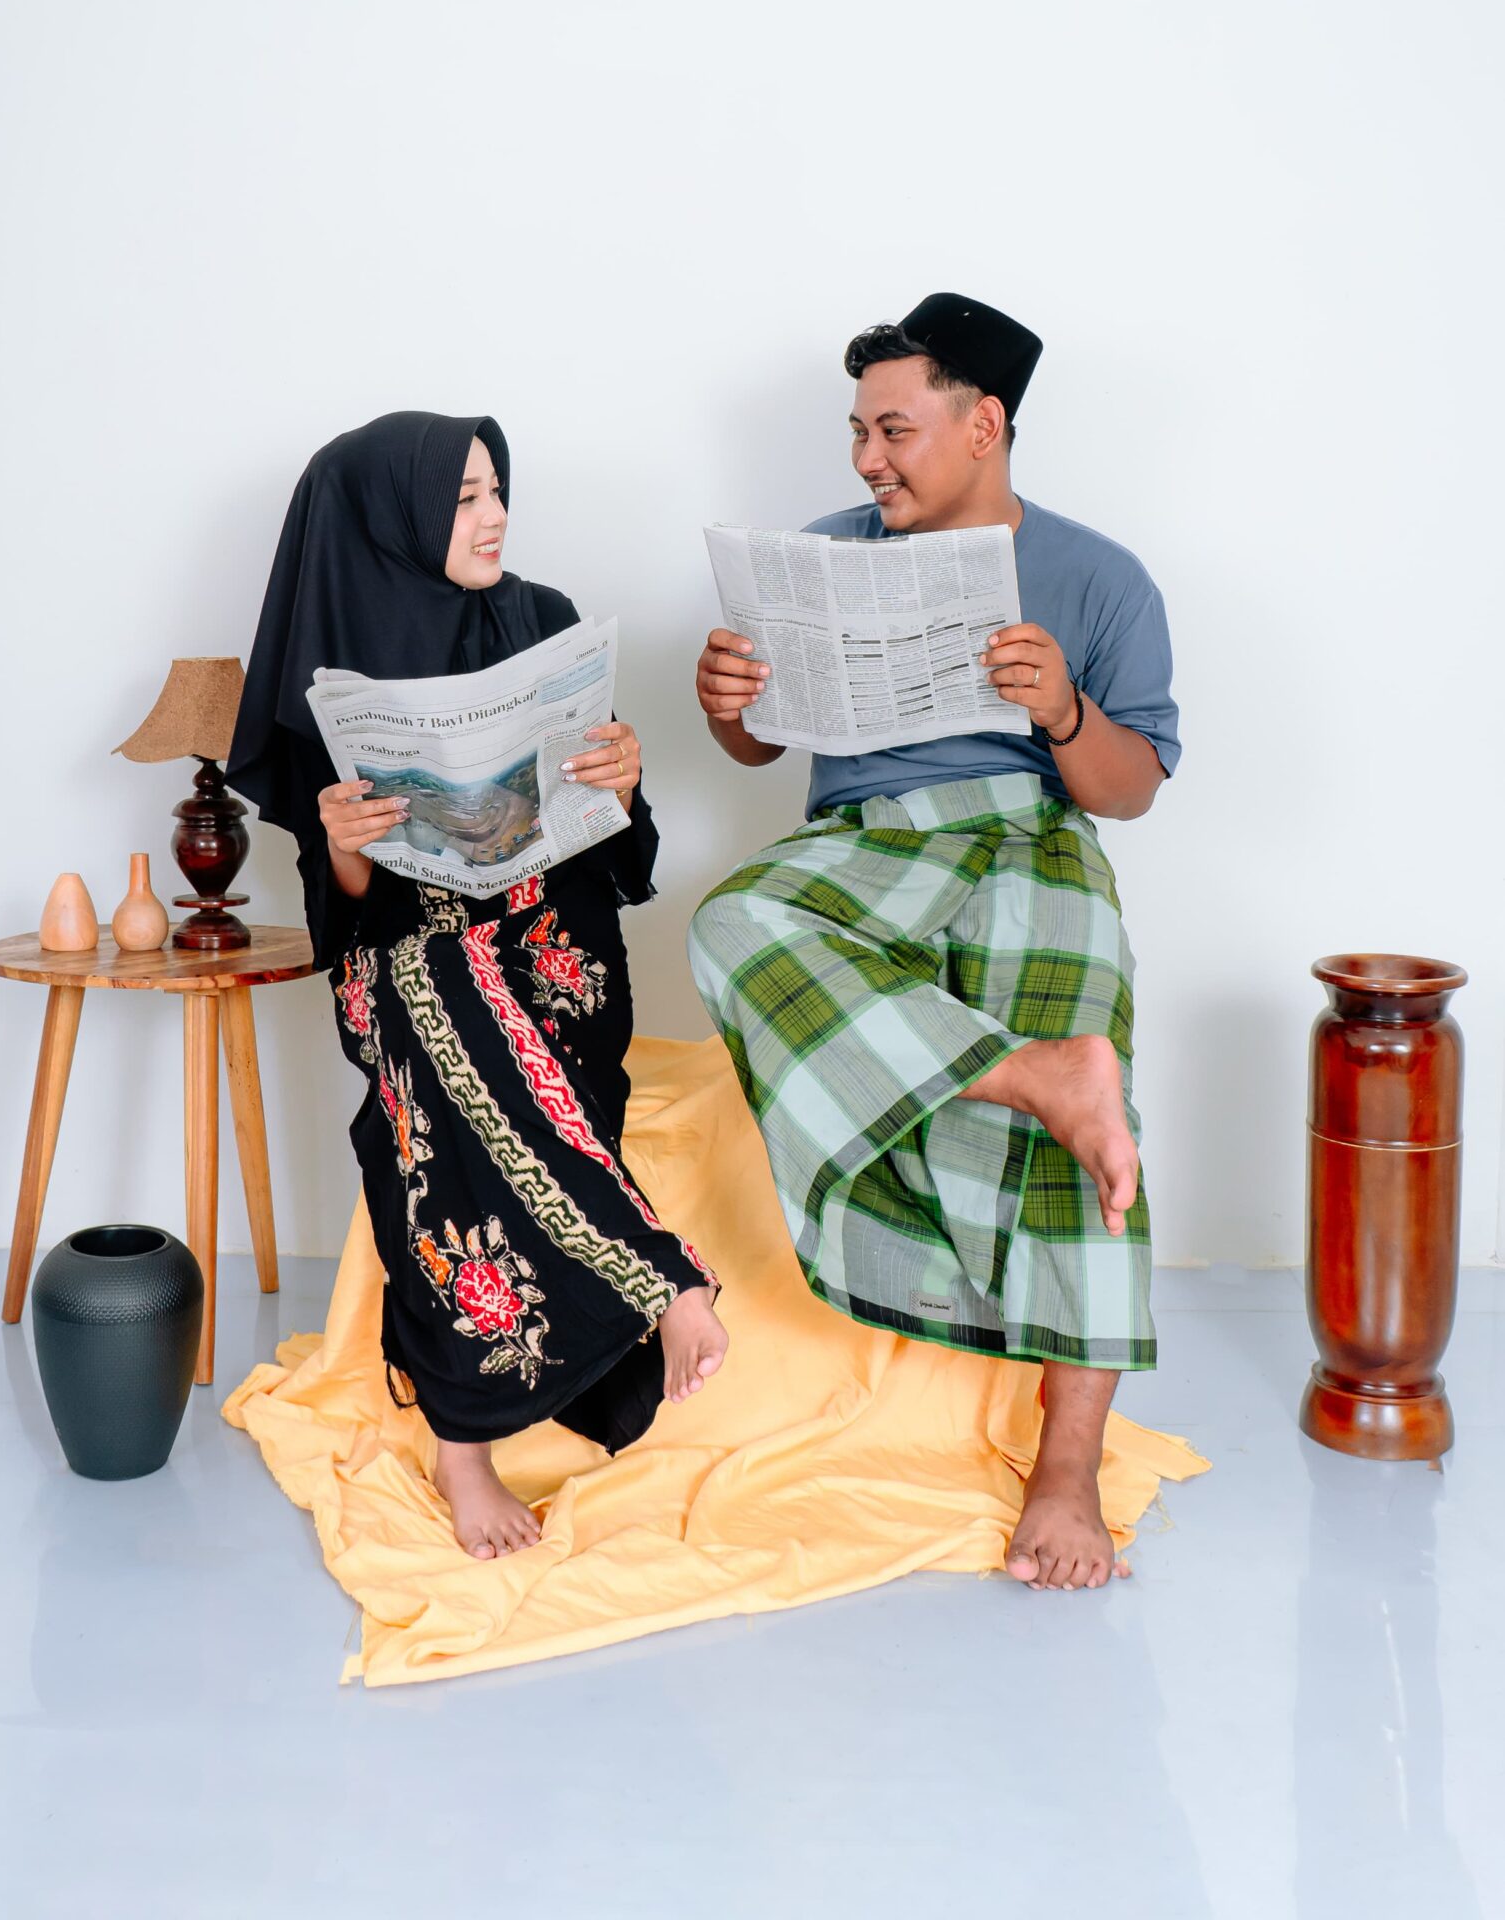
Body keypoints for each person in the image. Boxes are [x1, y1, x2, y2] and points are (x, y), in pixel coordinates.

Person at [687, 294, 1179, 1593]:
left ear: (982, 425)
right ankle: (1033, 1076)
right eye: (856, 431)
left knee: (1085, 1027)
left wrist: (1061, 708)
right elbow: (758, 745)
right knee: (732, 917)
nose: (866, 459)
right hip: (863, 841)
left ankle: (1064, 1470)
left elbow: (1129, 789)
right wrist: (728, 706)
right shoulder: (821, 555)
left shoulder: (1100, 576)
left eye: (892, 430)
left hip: (1029, 833)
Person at [227, 411, 726, 1560]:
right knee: (433, 981)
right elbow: (340, 915)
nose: (493, 516)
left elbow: (615, 852)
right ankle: (623, 1313)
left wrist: (622, 782)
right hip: (402, 953)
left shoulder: (539, 618)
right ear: (389, 521)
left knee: (474, 992)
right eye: (460, 499)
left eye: (495, 489)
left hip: (550, 944)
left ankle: (490, 1415)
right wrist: (343, 842)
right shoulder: (338, 672)